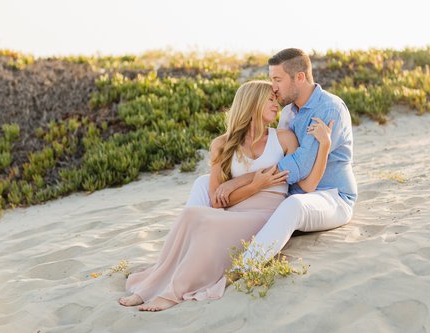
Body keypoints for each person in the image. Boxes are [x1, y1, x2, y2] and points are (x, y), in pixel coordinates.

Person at [119, 80, 334, 311]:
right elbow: (215, 200)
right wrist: (255, 185)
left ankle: (172, 293)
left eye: (275, 99)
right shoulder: (223, 144)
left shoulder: (284, 139)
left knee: (204, 222)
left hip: (267, 215)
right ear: (252, 104)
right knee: (192, 215)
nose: (276, 104)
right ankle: (147, 288)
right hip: (235, 211)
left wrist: (325, 145)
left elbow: (308, 185)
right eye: (269, 100)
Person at [186, 48, 357, 264]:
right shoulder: (287, 112)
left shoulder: (328, 109)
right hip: (289, 193)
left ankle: (246, 267)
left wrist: (239, 182)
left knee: (293, 205)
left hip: (329, 196)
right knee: (204, 183)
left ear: (300, 77)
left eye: (277, 79)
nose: (273, 88)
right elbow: (278, 156)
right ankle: (186, 246)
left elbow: (299, 166)